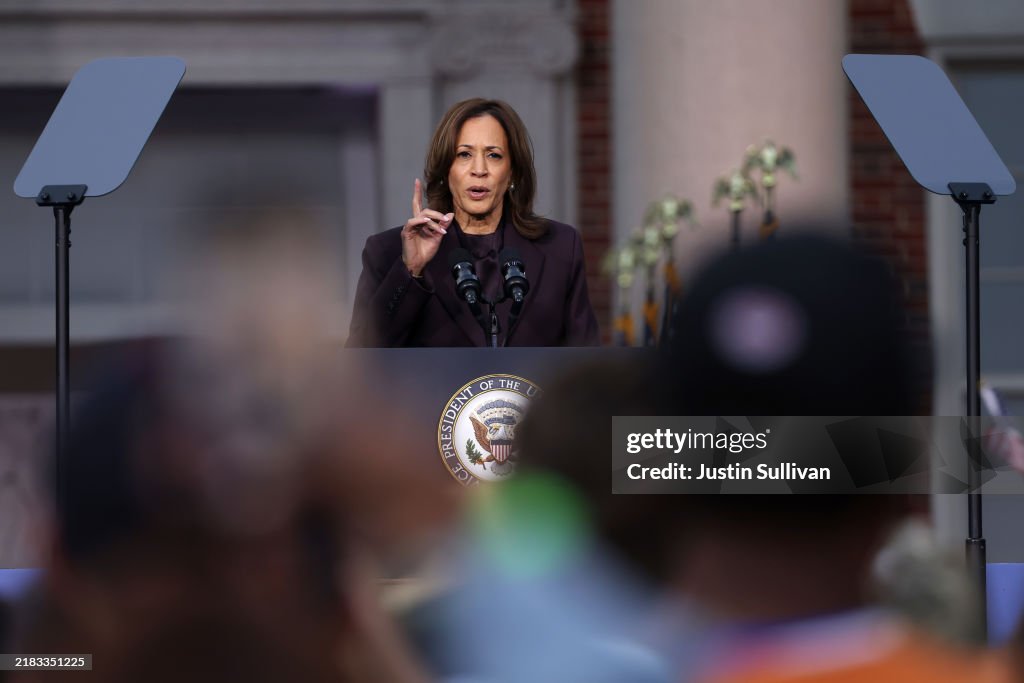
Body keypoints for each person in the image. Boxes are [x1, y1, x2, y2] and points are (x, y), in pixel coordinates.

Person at [347, 98, 600, 347]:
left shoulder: (560, 248)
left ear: (512, 172)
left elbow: (587, 360)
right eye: (464, 154)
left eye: (494, 155)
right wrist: (411, 270)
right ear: (446, 169)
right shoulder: (388, 252)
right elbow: (360, 360)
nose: (479, 169)